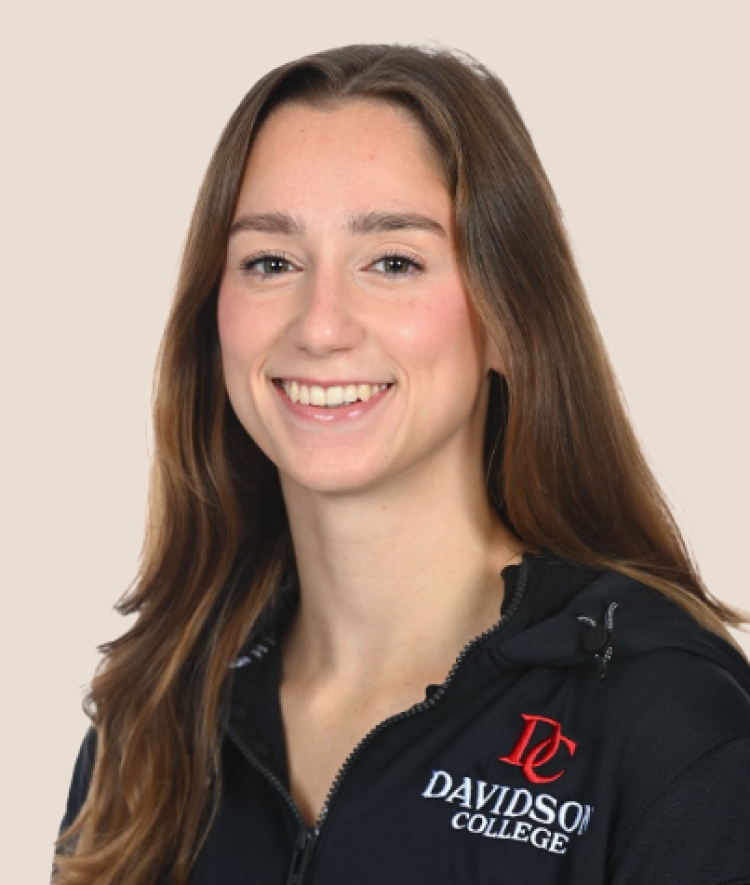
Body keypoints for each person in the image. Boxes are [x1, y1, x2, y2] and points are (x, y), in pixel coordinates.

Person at [53, 43, 750, 885]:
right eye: (271, 262)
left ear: (509, 319)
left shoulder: (669, 724)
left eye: (393, 262)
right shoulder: (151, 725)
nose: (320, 325)